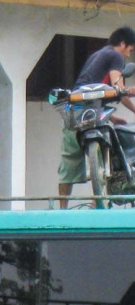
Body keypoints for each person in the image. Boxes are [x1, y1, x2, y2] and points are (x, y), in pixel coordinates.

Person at [58, 27, 135, 207]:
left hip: (75, 109)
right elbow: (119, 89)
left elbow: (93, 91)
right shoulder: (116, 56)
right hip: (90, 107)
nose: (128, 55)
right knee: (107, 149)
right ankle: (96, 202)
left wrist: (113, 118)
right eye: (130, 50)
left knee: (69, 159)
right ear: (123, 44)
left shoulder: (97, 55)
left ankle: (62, 209)